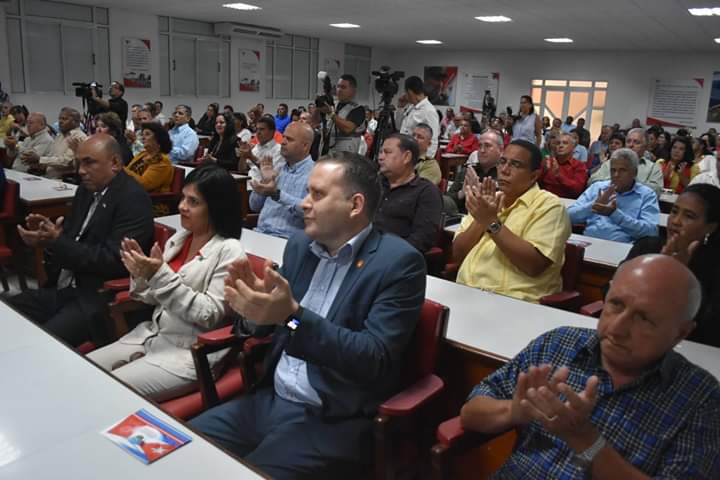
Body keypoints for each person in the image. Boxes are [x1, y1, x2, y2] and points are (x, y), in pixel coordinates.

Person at [190, 152, 426, 478]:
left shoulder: (398, 263)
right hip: (269, 399)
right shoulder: (300, 244)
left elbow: (374, 357)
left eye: (317, 194)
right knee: (180, 448)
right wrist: (254, 310)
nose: (303, 203)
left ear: (355, 205)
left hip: (332, 417)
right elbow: (273, 319)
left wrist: (290, 315)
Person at [459, 253, 720, 479]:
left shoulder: (702, 400)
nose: (617, 329)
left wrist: (585, 440)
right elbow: (470, 413)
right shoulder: (558, 344)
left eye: (644, 319)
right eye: (616, 305)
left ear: (680, 333)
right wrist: (513, 412)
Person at [87, 165, 244, 400]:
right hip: (151, 336)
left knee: (103, 392)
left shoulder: (229, 250)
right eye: (183, 197)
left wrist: (159, 274)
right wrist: (141, 274)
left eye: (194, 202)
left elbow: (209, 314)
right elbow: (148, 297)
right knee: (83, 370)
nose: (182, 206)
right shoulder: (179, 239)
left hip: (186, 353)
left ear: (215, 208)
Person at [8, 134, 154, 346]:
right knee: (9, 311)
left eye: (89, 163)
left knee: (42, 342)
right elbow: (70, 238)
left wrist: (57, 241)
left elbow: (113, 260)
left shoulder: (133, 199)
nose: (80, 171)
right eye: (79, 163)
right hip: (65, 287)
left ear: (114, 163)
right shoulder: (87, 191)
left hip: (95, 297)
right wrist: (45, 240)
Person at [452, 139, 571, 303]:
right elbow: (457, 254)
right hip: (466, 292)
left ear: (534, 176)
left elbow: (533, 265)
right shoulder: (487, 199)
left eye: (516, 165)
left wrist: (490, 222)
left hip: (514, 302)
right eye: (502, 162)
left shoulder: (549, 206)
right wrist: (481, 219)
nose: (504, 170)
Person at [622, 183, 720, 346]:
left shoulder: (714, 265)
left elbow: (709, 327)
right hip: (632, 337)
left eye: (689, 216)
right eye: (674, 212)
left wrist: (680, 277)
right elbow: (610, 293)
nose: (676, 221)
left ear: (710, 227)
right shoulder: (646, 247)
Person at [568, 148, 659, 243]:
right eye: (613, 170)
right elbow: (568, 216)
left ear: (634, 173)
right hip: (587, 243)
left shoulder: (647, 195)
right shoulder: (597, 187)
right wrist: (593, 206)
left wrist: (615, 214)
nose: (616, 175)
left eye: (622, 170)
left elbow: (651, 232)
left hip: (622, 249)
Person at [375, 134, 443, 253]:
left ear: (406, 157)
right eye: (380, 152)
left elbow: (422, 239)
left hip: (395, 257)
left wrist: (385, 255)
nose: (380, 157)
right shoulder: (374, 183)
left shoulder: (426, 192)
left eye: (387, 152)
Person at [249, 122, 315, 239]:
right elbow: (254, 206)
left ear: (305, 146)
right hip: (260, 233)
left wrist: (277, 194)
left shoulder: (315, 174)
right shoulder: (277, 169)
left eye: (289, 139)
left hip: (286, 240)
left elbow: (311, 211)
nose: (282, 142)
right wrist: (265, 180)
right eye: (283, 137)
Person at [589, 128, 663, 196]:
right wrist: (614, 181)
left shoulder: (653, 168)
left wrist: (631, 182)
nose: (631, 145)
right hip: (608, 200)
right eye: (628, 141)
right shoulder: (611, 163)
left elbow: (657, 191)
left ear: (645, 146)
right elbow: (592, 182)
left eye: (636, 142)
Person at [443, 130, 501, 215]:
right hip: (459, 221)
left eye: (487, 146)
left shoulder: (504, 175)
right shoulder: (467, 171)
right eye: (479, 146)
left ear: (501, 150)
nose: (482, 150)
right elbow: (447, 201)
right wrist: (462, 193)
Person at [22, 108, 87, 179]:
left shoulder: (78, 137)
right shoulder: (59, 136)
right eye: (59, 119)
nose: (60, 121)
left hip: (63, 181)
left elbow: (67, 162)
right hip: (48, 177)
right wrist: (38, 164)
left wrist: (40, 159)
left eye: (64, 119)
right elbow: (53, 158)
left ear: (75, 122)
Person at [124, 121, 174, 200]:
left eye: (147, 134)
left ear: (159, 138)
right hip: (132, 193)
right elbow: (128, 171)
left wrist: (121, 168)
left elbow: (144, 184)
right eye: (142, 135)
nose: (143, 138)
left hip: (151, 201)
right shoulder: (143, 154)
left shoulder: (162, 161)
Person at [396, 76, 440, 158]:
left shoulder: (429, 111)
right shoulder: (411, 107)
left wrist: (425, 161)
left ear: (409, 92)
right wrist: (400, 107)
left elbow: (433, 140)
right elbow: (398, 126)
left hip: (418, 156)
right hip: (405, 152)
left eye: (405, 92)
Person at [321, 74, 366, 155]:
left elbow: (348, 129)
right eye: (338, 86)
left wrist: (331, 114)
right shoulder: (332, 104)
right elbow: (316, 121)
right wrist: (319, 107)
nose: (339, 90)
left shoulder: (358, 109)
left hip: (346, 154)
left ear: (353, 91)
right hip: (328, 151)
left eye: (343, 87)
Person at [538, 132, 588, 199]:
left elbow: (577, 189)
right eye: (558, 143)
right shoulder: (548, 162)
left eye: (565, 143)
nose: (560, 146)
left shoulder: (579, 166)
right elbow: (535, 183)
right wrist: (544, 171)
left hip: (567, 201)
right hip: (545, 199)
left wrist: (558, 175)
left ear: (573, 147)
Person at [238, 115, 284, 182]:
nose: (258, 132)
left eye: (262, 129)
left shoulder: (279, 150)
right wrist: (243, 157)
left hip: (264, 187)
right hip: (247, 184)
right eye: (257, 129)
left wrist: (251, 156)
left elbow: (273, 174)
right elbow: (242, 170)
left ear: (272, 131)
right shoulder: (255, 148)